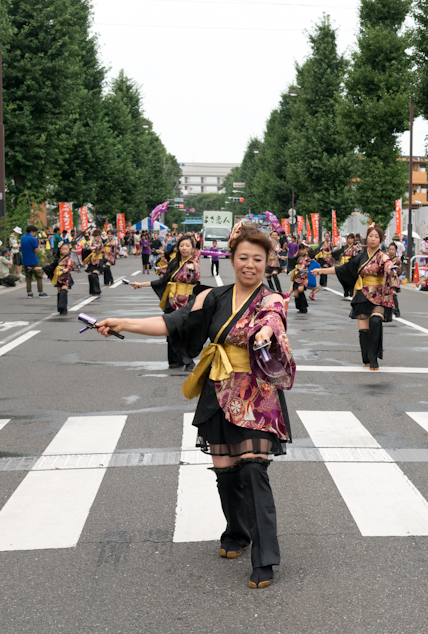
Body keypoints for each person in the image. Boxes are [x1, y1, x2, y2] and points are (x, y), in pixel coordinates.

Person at [96, 224, 295, 590]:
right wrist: (122, 322)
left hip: (255, 395)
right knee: (226, 472)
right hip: (218, 391)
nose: (250, 265)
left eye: (258, 259)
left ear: (269, 263)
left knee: (254, 470)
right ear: (232, 259)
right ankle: (237, 531)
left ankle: (265, 558)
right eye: (244, 258)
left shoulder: (271, 299)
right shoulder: (212, 297)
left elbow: (273, 320)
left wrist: (265, 333)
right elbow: (174, 323)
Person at [313, 224, 397, 370]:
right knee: (363, 331)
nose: (373, 239)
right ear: (367, 237)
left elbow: (388, 263)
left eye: (377, 237)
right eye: (371, 236)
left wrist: (390, 269)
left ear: (381, 240)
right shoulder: (359, 258)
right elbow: (342, 269)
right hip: (363, 294)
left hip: (379, 295)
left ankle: (374, 357)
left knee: (376, 320)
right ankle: (367, 357)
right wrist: (320, 271)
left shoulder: (383, 256)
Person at [132, 233, 203, 369]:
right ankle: (174, 360)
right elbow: (162, 281)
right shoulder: (175, 262)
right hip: (172, 301)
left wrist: (191, 271)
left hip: (186, 302)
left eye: (187, 246)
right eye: (181, 245)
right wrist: (141, 284)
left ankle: (188, 361)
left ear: (192, 248)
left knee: (183, 331)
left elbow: (193, 278)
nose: (184, 248)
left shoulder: (193, 264)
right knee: (170, 330)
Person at [49, 242, 78, 316]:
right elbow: (52, 266)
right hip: (58, 276)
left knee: (64, 291)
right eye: (63, 249)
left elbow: (69, 266)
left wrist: (66, 269)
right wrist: (41, 268)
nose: (65, 251)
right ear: (60, 250)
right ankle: (60, 308)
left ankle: (64, 309)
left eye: (66, 249)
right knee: (59, 292)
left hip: (66, 276)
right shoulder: (57, 259)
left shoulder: (69, 259)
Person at [21, 225, 47, 298]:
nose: (35, 234)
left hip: (25, 261)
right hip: (33, 260)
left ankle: (29, 293)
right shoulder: (33, 239)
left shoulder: (22, 238)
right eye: (35, 232)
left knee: (28, 277)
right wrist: (39, 244)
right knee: (39, 276)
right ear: (32, 232)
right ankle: (41, 292)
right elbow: (36, 250)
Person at [311, 231, 334, 300]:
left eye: (327, 236)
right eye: (325, 236)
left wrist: (326, 252)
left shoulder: (330, 243)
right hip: (321, 257)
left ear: (329, 237)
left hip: (327, 258)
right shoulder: (322, 243)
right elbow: (318, 249)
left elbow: (332, 251)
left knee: (325, 269)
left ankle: (324, 283)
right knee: (321, 270)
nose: (326, 237)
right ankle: (321, 283)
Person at [289, 245, 310, 314]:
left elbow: (304, 264)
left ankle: (304, 307)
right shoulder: (299, 257)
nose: (301, 251)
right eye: (300, 249)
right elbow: (292, 259)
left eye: (303, 249)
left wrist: (301, 268)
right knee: (296, 293)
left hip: (303, 276)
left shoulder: (306, 258)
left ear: (306, 249)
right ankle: (300, 308)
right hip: (297, 275)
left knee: (300, 289)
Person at [84, 229, 105, 295]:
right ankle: (92, 291)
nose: (96, 238)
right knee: (90, 275)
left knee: (94, 275)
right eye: (95, 237)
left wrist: (91, 248)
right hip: (92, 260)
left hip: (98, 260)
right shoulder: (93, 243)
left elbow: (96, 248)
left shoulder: (101, 244)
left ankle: (97, 291)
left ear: (99, 236)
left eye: (97, 236)